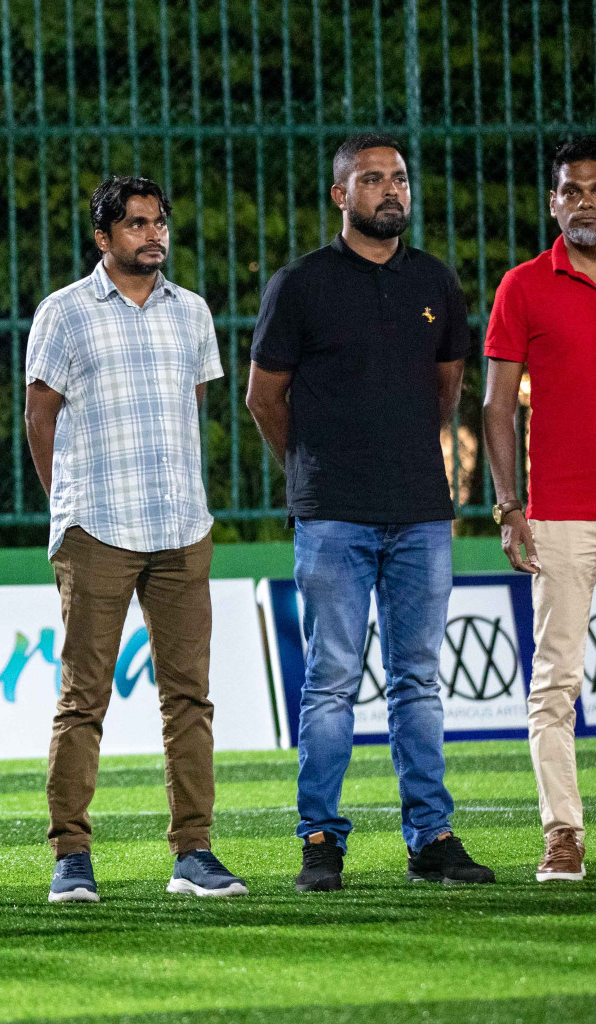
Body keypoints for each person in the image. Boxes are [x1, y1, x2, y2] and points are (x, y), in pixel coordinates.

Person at [246, 134, 495, 892]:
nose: (390, 190)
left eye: (399, 179)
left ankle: (432, 837)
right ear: (340, 195)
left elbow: (446, 391)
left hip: (420, 511)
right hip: (333, 516)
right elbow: (263, 399)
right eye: (372, 179)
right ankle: (320, 838)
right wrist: (315, 471)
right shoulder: (301, 285)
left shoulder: (435, 282)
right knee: (330, 684)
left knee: (419, 680)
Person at [24, 177, 246, 903]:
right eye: (137, 224)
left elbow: (195, 403)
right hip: (99, 526)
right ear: (104, 237)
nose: (153, 235)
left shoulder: (193, 314)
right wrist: (68, 505)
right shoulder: (64, 313)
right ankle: (71, 857)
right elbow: (39, 416)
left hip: (183, 524)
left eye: (160, 224)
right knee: (83, 696)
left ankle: (194, 852)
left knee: (189, 698)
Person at [482, 135, 596, 883]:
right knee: (555, 683)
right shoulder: (522, 285)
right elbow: (495, 407)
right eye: (571, 190)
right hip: (557, 513)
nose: (583, 200)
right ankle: (564, 835)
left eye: (594, 187)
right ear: (552, 202)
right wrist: (508, 505)